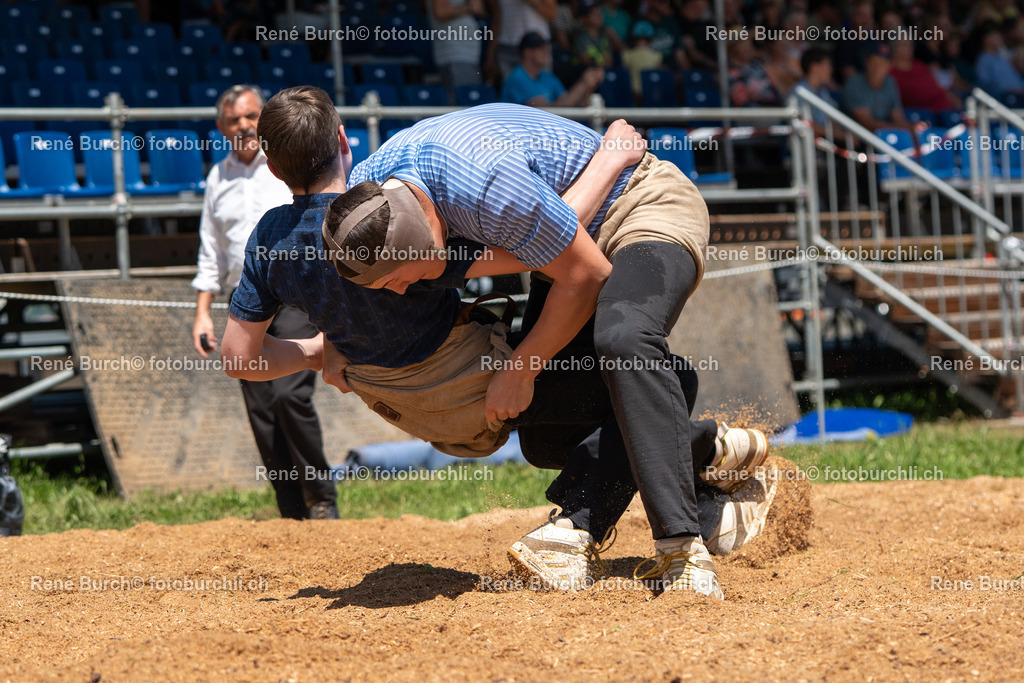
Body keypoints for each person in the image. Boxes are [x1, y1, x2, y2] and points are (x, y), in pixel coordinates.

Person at [221, 90, 774, 597]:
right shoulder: (375, 207)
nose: (403, 292)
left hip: (638, 204)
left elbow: (583, 267)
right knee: (543, 439)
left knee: (624, 337)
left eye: (407, 282)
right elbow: (547, 247)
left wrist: (522, 368)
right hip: (558, 247)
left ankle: (672, 550)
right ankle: (703, 456)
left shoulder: (480, 185)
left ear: (434, 244)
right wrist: (330, 344)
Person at [190, 85, 338, 521]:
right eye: (234, 119)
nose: (244, 126)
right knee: (261, 411)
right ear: (221, 127)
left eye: (252, 116)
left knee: (290, 397)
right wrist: (202, 311)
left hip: (293, 297)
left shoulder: (284, 166)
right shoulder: (217, 177)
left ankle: (321, 499)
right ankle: (290, 509)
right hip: (246, 303)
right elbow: (210, 250)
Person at [500, 31, 605, 106]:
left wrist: (589, 86)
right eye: (541, 48)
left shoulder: (547, 77)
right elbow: (549, 112)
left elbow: (571, 103)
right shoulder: (518, 78)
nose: (547, 52)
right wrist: (583, 83)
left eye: (546, 48)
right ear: (528, 52)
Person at [840, 42, 921, 134]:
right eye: (874, 62)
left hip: (883, 135)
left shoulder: (890, 82)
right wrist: (904, 128)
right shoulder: (854, 83)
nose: (877, 67)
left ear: (890, 65)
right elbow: (867, 124)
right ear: (866, 62)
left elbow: (898, 117)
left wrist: (913, 127)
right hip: (857, 139)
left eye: (882, 63)